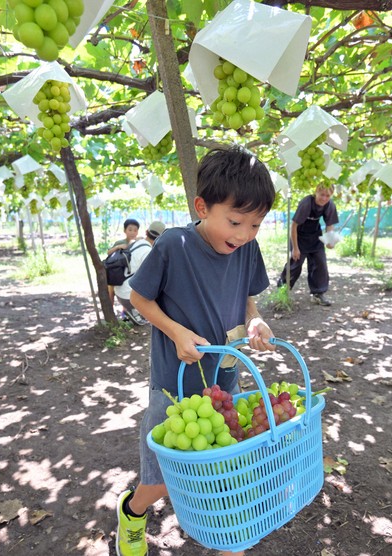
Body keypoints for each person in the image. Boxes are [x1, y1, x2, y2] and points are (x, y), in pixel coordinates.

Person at [115, 146, 277, 556]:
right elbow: (139, 298)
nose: (243, 235)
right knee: (161, 478)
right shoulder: (174, 245)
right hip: (174, 384)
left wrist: (255, 319)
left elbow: (247, 299)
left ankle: (228, 542)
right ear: (202, 207)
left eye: (256, 225)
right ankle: (133, 513)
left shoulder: (247, 250)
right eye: (236, 221)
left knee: (224, 467)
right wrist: (175, 332)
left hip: (223, 381)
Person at [277, 184, 339, 306]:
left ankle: (318, 294)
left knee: (320, 263)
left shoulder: (330, 205)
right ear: (316, 192)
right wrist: (295, 248)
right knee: (296, 264)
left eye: (328, 195)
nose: (324, 198)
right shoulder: (307, 203)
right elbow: (294, 226)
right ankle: (282, 291)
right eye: (322, 194)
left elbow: (329, 225)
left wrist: (330, 240)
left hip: (315, 236)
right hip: (299, 237)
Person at [114, 220, 165, 326]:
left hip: (119, 291)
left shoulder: (138, 242)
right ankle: (135, 312)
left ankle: (133, 311)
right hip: (128, 296)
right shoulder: (148, 253)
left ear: (146, 232)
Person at [107, 218, 140, 307]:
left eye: (135, 230)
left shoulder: (139, 243)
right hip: (117, 271)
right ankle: (110, 311)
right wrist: (118, 247)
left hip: (130, 273)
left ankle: (125, 313)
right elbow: (109, 253)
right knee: (111, 292)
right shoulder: (120, 242)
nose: (132, 232)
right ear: (124, 230)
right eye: (130, 230)